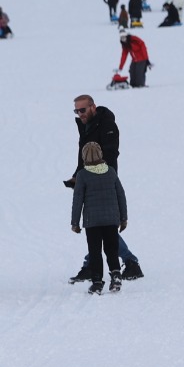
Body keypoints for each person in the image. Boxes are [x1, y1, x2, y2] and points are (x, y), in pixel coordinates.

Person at [66, 94, 143, 281]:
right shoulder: (86, 125)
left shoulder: (107, 125)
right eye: (76, 111)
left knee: (102, 223)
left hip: (104, 179)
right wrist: (78, 174)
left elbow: (110, 153)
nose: (80, 114)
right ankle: (97, 263)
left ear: (93, 107)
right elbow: (84, 155)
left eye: (82, 110)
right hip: (91, 177)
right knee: (101, 224)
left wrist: (95, 175)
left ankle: (129, 262)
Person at [69, 142, 128, 295]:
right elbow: (120, 195)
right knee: (111, 249)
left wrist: (75, 222)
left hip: (92, 221)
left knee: (95, 251)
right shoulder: (111, 172)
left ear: (84, 157)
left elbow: (78, 199)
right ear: (101, 154)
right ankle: (116, 275)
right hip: (111, 220)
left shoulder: (82, 175)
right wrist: (124, 218)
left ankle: (97, 283)